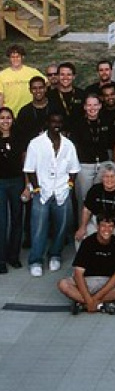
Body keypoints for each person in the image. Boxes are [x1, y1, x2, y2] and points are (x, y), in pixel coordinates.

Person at [24, 113, 80, 277]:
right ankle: (36, 260)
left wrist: (69, 186)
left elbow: (74, 169)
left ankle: (55, 254)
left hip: (62, 191)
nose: (57, 124)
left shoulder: (68, 145)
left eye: (60, 122)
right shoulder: (35, 143)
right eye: (54, 121)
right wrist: (36, 189)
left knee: (62, 226)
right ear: (47, 123)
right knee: (39, 228)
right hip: (42, 191)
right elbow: (29, 169)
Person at [57, 213, 115, 315]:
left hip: (108, 281)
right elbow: (78, 273)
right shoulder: (87, 243)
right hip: (88, 280)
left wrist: (94, 298)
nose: (107, 230)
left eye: (110, 226)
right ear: (97, 227)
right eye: (103, 226)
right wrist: (88, 299)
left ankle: (84, 303)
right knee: (63, 284)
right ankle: (101, 305)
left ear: (114, 227)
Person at [75, 161, 115, 248]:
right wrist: (82, 227)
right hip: (97, 224)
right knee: (81, 238)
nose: (109, 180)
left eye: (112, 176)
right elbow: (87, 210)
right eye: (106, 177)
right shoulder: (95, 190)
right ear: (101, 178)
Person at [0, 107, 25, 272]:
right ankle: (1, 259)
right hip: (0, 183)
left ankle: (13, 256)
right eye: (1, 118)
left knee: (17, 219)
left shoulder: (19, 138)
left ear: (12, 119)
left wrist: (27, 185)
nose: (5, 121)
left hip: (17, 182)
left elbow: (26, 163)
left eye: (8, 117)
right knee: (2, 222)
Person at [0, 44, 42, 115]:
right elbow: (1, 96)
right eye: (12, 57)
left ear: (23, 57)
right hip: (11, 113)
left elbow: (46, 83)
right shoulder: (2, 75)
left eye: (18, 57)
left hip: (30, 112)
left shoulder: (32, 72)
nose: (15, 59)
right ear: (9, 58)